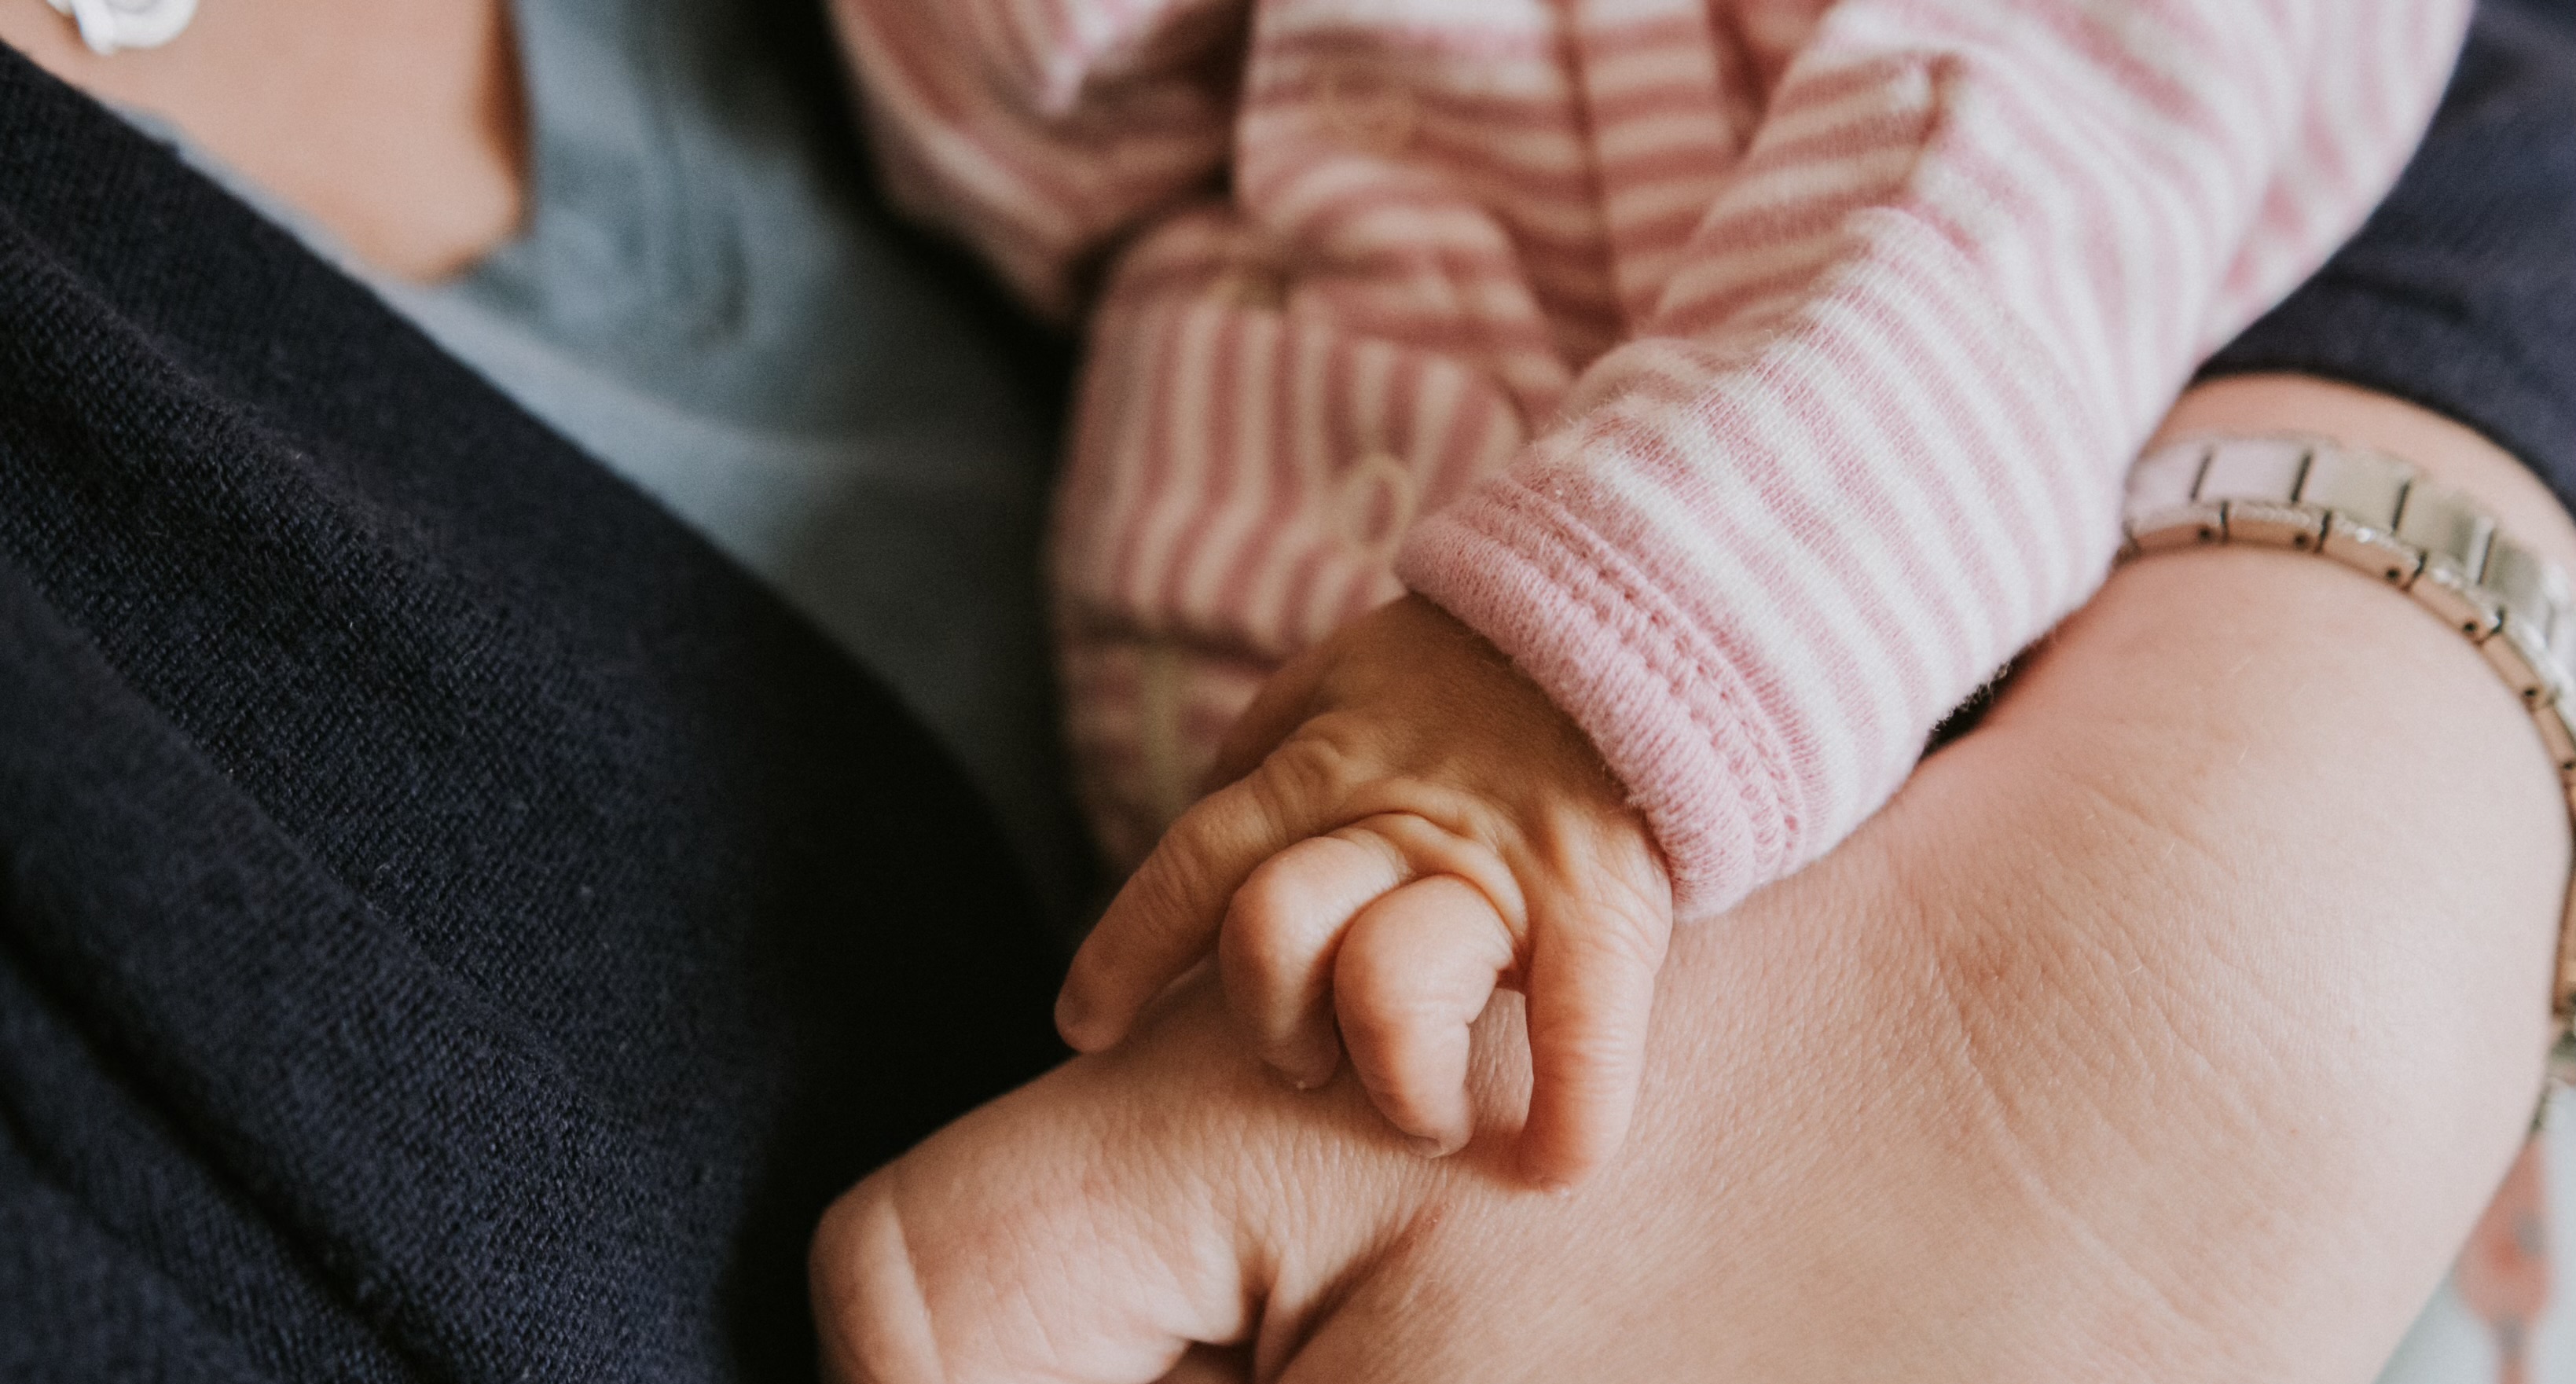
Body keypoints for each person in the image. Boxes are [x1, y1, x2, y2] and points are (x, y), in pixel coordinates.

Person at [0, 7, 2568, 1384]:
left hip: (1690, 760)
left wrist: (1558, 720)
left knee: (1207, 1306)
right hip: (1302, 774)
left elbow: (2112, 175)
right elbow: (1046, 110)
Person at [834, 0, 2469, 1185]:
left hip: (1683, 791)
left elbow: (2030, 187)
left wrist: (1564, 701)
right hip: (1212, 761)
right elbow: (1039, 153)